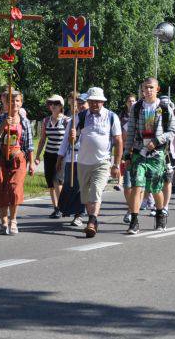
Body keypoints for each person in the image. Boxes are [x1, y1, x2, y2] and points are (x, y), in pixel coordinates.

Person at [123, 78, 175, 234]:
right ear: (142, 90)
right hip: (139, 152)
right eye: (145, 87)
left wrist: (157, 140)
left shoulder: (164, 108)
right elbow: (130, 132)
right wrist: (127, 154)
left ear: (157, 89)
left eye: (151, 87)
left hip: (157, 154)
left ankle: (160, 214)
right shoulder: (137, 107)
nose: (148, 90)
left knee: (155, 188)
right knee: (137, 186)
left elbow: (172, 131)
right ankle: (134, 221)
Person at [69, 87, 122, 238]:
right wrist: (72, 137)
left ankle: (92, 221)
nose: (94, 104)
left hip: (102, 162)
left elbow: (118, 141)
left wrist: (116, 165)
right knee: (86, 195)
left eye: (97, 101)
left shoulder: (111, 117)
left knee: (96, 190)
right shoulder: (80, 117)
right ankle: (92, 220)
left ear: (102, 102)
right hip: (83, 162)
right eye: (92, 101)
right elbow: (73, 142)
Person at [0, 90, 35, 235]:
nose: (15, 103)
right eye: (11, 100)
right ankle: (4, 221)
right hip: (0, 158)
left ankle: (13, 220)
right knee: (0, 189)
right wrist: (4, 125)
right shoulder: (0, 118)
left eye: (17, 100)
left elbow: (29, 145)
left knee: (14, 189)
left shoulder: (24, 122)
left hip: (18, 159)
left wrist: (31, 163)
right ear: (6, 102)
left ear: (21, 103)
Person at [56, 93, 89, 226]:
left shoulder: (91, 120)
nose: (80, 106)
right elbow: (65, 142)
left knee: (80, 187)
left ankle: (79, 214)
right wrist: (60, 158)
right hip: (71, 158)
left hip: (86, 158)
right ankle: (70, 210)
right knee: (70, 186)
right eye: (78, 103)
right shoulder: (73, 121)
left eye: (83, 103)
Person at [35, 95, 69, 218]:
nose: (53, 106)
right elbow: (43, 139)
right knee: (50, 182)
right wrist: (37, 155)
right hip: (49, 154)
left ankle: (62, 206)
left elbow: (70, 139)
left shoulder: (66, 121)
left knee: (57, 180)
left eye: (56, 103)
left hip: (61, 155)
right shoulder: (46, 121)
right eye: (51, 103)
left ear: (61, 106)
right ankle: (56, 208)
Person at [160, 96, 175, 216]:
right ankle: (156, 204)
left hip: (170, 154)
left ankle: (165, 205)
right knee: (156, 179)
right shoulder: (156, 120)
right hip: (157, 153)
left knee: (167, 180)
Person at [117, 94, 137, 192]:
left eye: (133, 101)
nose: (131, 103)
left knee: (133, 164)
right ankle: (119, 182)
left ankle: (132, 183)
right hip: (124, 144)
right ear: (126, 103)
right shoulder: (122, 115)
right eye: (129, 101)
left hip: (135, 145)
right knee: (122, 162)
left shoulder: (138, 113)